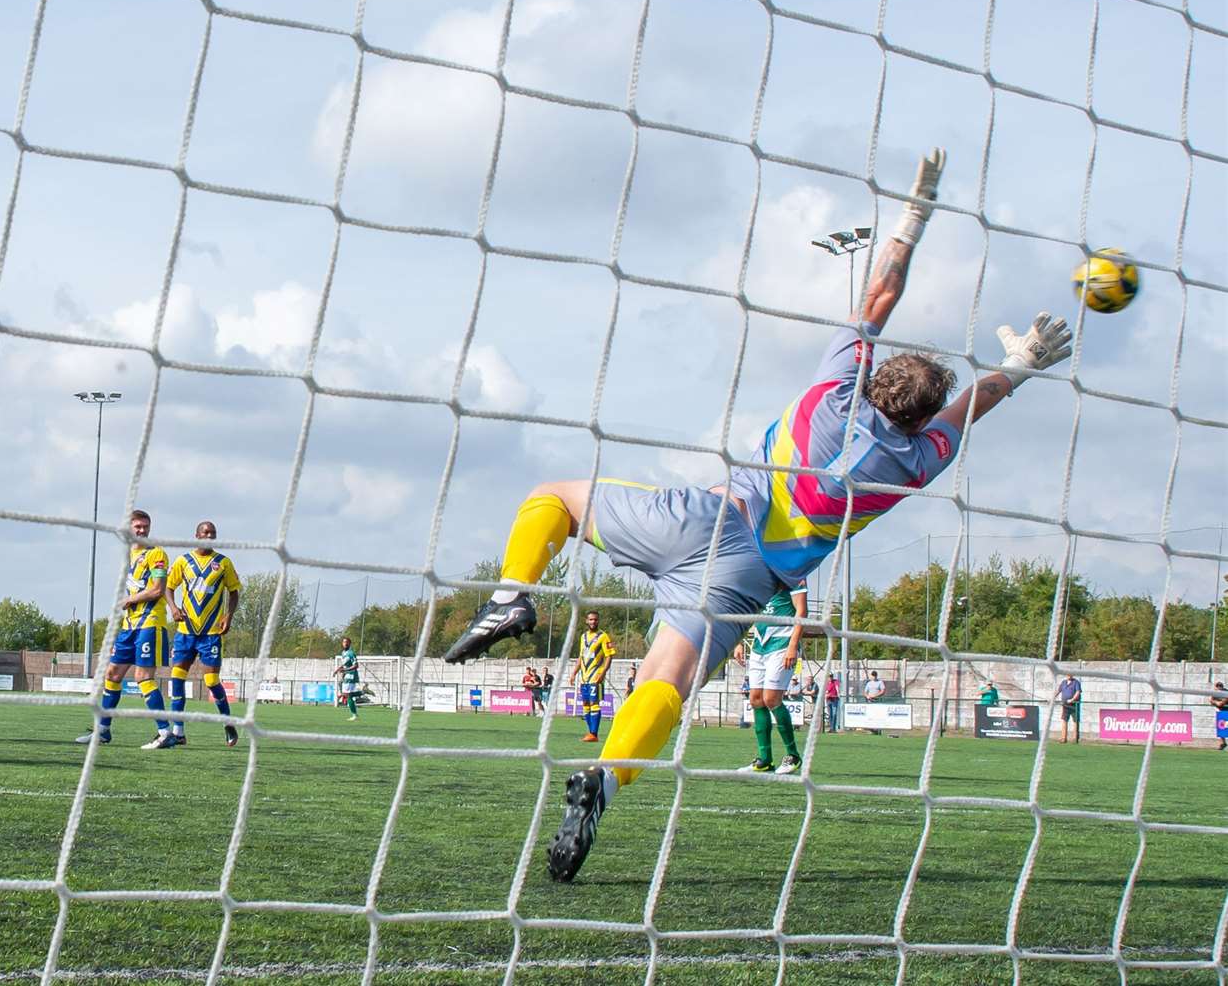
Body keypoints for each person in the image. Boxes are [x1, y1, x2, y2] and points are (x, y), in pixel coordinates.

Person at [438, 147, 1076, 881]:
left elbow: (880, 295)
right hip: (744, 578)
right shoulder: (920, 462)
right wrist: (1022, 363)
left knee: (554, 499)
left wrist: (913, 217)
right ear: (920, 418)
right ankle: (604, 783)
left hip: (705, 517)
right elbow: (976, 403)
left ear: (873, 380)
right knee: (663, 688)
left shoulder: (832, 393)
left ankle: (512, 597)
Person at [77, 510, 172, 748]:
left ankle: (165, 733)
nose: (142, 530)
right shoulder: (129, 555)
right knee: (112, 675)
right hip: (130, 626)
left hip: (149, 624)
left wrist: (130, 600)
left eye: (145, 526)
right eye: (137, 526)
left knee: (143, 677)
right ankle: (103, 731)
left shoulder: (157, 554)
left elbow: (158, 589)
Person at [164, 521, 242, 747]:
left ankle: (228, 724)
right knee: (177, 678)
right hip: (185, 631)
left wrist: (229, 615)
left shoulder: (223, 563)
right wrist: (173, 607)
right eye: (205, 532)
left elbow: (234, 591)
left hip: (210, 633)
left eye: (213, 533)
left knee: (211, 680)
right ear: (196, 535)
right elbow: (169, 586)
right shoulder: (183, 561)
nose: (209, 536)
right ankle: (178, 731)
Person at [732, 582, 807, 774]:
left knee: (771, 699)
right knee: (756, 699)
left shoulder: (794, 572)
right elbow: (746, 610)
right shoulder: (758, 573)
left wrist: (793, 646)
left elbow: (801, 611)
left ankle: (793, 755)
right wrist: (739, 642)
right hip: (760, 644)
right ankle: (765, 760)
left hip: (782, 642)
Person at [570, 611, 615, 743]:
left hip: (596, 676)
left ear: (598, 621)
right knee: (585, 704)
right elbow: (581, 657)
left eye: (595, 620)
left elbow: (609, 656)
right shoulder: (583, 637)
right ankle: (590, 733)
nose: (593, 622)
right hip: (584, 677)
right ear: (586, 621)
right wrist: (574, 673)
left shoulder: (603, 636)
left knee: (594, 703)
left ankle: (593, 733)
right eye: (590, 619)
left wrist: (603, 672)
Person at [335, 636, 360, 721]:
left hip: (351, 676)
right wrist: (339, 671)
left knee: (348, 695)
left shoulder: (351, 653)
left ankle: (355, 715)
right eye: (344, 642)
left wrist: (345, 670)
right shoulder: (343, 653)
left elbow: (356, 665)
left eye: (347, 642)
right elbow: (344, 664)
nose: (345, 643)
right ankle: (363, 691)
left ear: (349, 643)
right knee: (348, 695)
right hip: (347, 675)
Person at [1055, 673, 1082, 743]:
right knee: (1064, 720)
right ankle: (1063, 739)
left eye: (1070, 675)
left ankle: (1075, 739)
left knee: (1075, 721)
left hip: (1074, 705)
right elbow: (1058, 691)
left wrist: (1072, 699)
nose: (1068, 676)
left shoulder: (1076, 682)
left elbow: (1078, 692)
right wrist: (1052, 697)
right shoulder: (1063, 682)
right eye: (1067, 675)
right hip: (1065, 705)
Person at [1212, 681, 1227, 752]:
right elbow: (1211, 701)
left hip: (1226, 712)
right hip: (1221, 712)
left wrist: (1216, 703)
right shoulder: (1215, 693)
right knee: (1221, 728)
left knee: (1225, 728)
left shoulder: (1226, 692)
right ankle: (1223, 743)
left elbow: (1222, 703)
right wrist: (1216, 702)